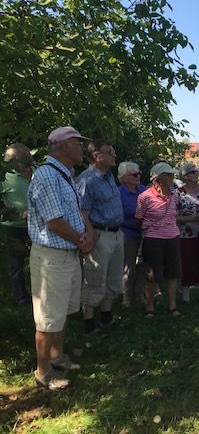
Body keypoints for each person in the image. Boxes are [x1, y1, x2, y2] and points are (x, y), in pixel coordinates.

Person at [28, 126, 94, 390]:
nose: (82, 149)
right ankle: (43, 371)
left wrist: (86, 236)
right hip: (52, 257)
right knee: (48, 316)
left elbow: (73, 214)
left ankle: (57, 356)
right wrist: (81, 240)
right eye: (78, 143)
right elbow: (54, 222)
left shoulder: (65, 174)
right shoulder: (47, 175)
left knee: (64, 310)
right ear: (64, 146)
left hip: (67, 253)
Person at [77, 140, 124, 334]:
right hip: (99, 234)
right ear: (97, 156)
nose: (114, 155)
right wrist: (91, 234)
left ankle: (106, 316)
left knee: (114, 277)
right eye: (110, 152)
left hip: (116, 233)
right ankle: (88, 321)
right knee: (95, 277)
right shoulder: (87, 180)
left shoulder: (109, 176)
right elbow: (82, 212)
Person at [135, 162, 182, 318]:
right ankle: (150, 307)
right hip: (153, 239)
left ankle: (172, 306)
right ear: (159, 178)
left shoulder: (175, 195)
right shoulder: (144, 197)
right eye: (169, 175)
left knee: (173, 273)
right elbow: (139, 219)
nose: (172, 177)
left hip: (172, 237)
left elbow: (176, 213)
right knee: (151, 274)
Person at [176, 162, 199, 303]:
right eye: (192, 172)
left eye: (196, 171)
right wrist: (192, 218)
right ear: (185, 176)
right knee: (187, 262)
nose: (196, 174)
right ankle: (185, 295)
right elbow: (173, 216)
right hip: (186, 234)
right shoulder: (178, 193)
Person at [1, 143, 33, 306]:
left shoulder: (37, 171)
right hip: (13, 227)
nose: (29, 158)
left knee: (40, 261)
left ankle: (41, 293)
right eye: (25, 156)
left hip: (37, 226)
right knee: (16, 264)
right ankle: (21, 298)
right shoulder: (5, 177)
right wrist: (16, 214)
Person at [118, 161, 147, 307]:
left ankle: (139, 294)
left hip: (145, 233)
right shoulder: (119, 193)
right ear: (124, 178)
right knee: (128, 267)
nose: (138, 176)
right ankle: (126, 296)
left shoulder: (143, 190)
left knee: (144, 265)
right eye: (134, 174)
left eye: (139, 173)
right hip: (127, 233)